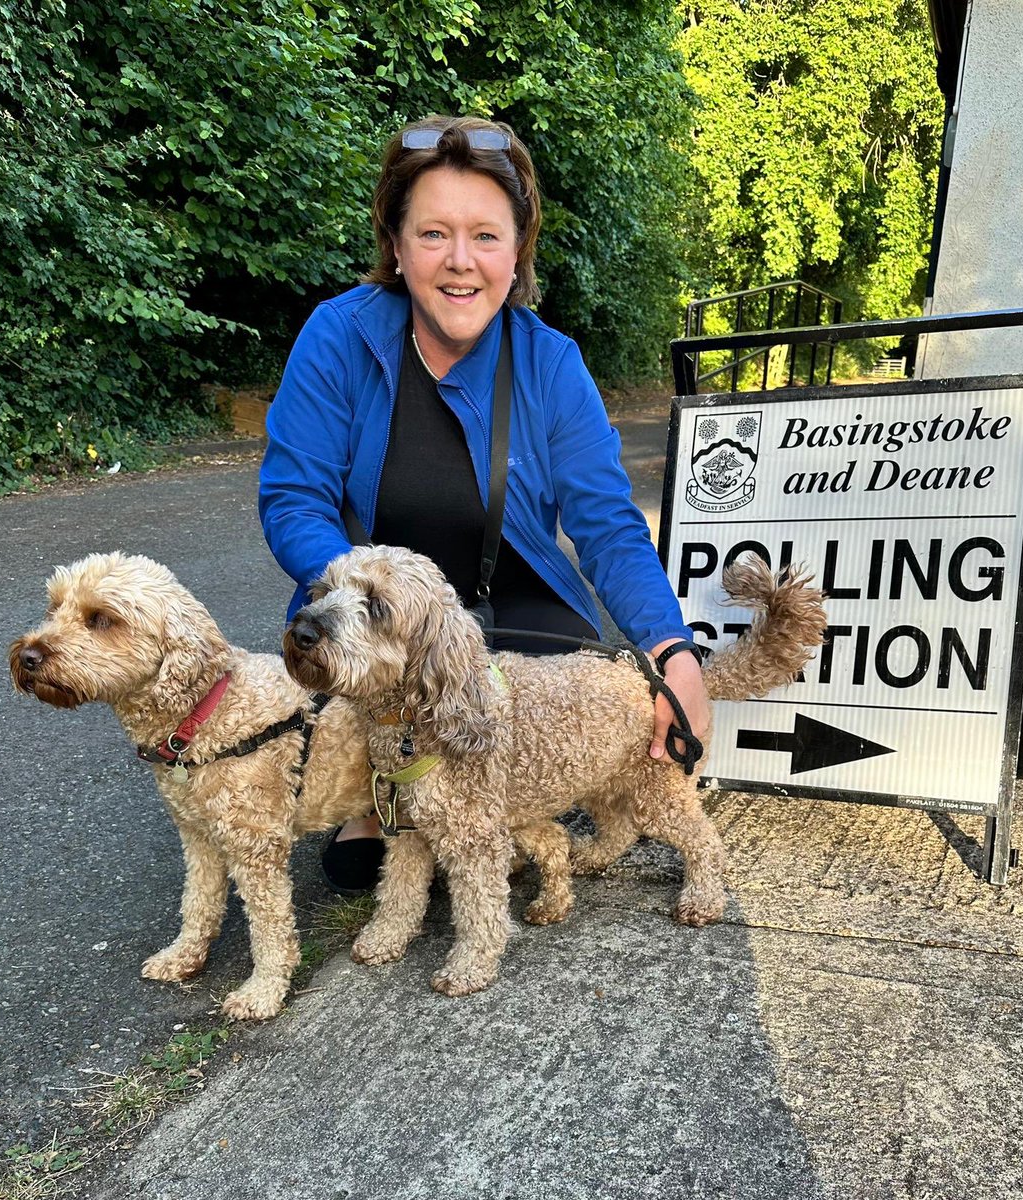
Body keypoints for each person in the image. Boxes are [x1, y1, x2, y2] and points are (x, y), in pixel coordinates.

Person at [258, 114, 710, 894]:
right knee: (359, 859)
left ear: (517, 252)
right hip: (387, 629)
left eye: (486, 237)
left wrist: (674, 654)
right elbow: (293, 499)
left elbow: (606, 526)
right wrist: (368, 601)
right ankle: (391, 789)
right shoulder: (337, 337)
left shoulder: (552, 363)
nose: (460, 262)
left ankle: (469, 799)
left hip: (521, 621)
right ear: (396, 247)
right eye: (432, 234)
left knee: (526, 755)